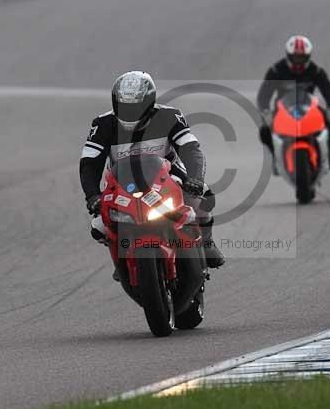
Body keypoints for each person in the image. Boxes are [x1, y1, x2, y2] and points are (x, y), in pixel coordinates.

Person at [79, 71, 225, 276]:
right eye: (124, 107)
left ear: (149, 103)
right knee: (99, 227)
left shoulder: (169, 115)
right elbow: (89, 163)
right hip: (122, 182)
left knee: (204, 197)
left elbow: (191, 148)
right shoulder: (102, 125)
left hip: (168, 175)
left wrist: (195, 179)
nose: (130, 113)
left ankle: (206, 242)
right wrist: (92, 195)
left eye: (135, 108)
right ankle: (122, 258)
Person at [257, 35, 330, 170]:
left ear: (308, 57)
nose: (298, 62)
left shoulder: (316, 71)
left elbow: (329, 92)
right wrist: (265, 111)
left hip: (309, 106)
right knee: (264, 130)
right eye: (295, 57)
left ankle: (327, 156)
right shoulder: (276, 70)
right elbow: (263, 95)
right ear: (288, 56)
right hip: (283, 108)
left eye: (302, 58)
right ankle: (276, 160)